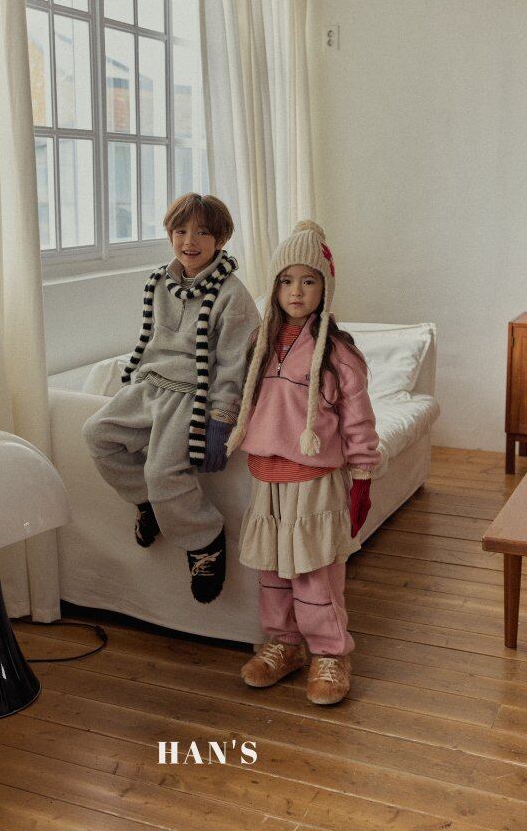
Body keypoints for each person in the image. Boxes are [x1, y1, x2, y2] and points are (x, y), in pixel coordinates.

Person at [226, 220, 379, 704]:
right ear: (274, 287)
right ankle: (284, 644)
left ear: (325, 288)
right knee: (272, 570)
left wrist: (362, 477)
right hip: (266, 476)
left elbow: (359, 421)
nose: (296, 291)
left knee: (315, 572)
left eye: (309, 281)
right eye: (286, 280)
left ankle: (331, 653)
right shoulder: (259, 343)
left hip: (315, 479)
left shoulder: (338, 354)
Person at [83, 193, 259, 604]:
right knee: (97, 434)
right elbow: (150, 341)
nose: (189, 241)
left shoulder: (234, 296)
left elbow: (235, 363)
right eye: (181, 231)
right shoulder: (159, 281)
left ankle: (204, 539)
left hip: (193, 395)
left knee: (164, 471)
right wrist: (131, 385)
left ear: (221, 239)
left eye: (202, 232)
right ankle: (147, 502)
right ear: (170, 235)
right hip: (150, 384)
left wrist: (222, 418)